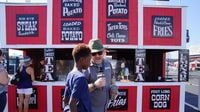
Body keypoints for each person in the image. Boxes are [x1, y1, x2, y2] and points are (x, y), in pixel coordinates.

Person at [84, 39, 118, 112]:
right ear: (89, 54)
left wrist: (114, 87)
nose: (97, 55)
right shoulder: (85, 67)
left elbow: (112, 77)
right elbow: (80, 90)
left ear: (103, 52)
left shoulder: (107, 63)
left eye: (99, 52)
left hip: (104, 109)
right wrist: (95, 85)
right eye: (94, 53)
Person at [63, 43, 92, 112]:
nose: (90, 63)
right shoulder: (81, 78)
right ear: (82, 60)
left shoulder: (70, 74)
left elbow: (65, 99)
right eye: (89, 60)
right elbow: (72, 103)